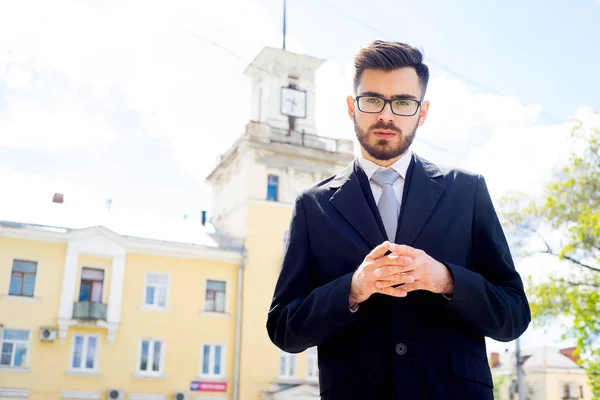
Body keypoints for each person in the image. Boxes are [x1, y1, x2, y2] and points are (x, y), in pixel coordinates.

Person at [266, 40, 530, 400]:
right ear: (351, 107)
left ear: (422, 112)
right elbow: (284, 328)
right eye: (372, 100)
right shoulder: (313, 206)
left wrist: (446, 280)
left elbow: (513, 314)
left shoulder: (466, 192)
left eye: (403, 103)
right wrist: (353, 289)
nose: (386, 116)